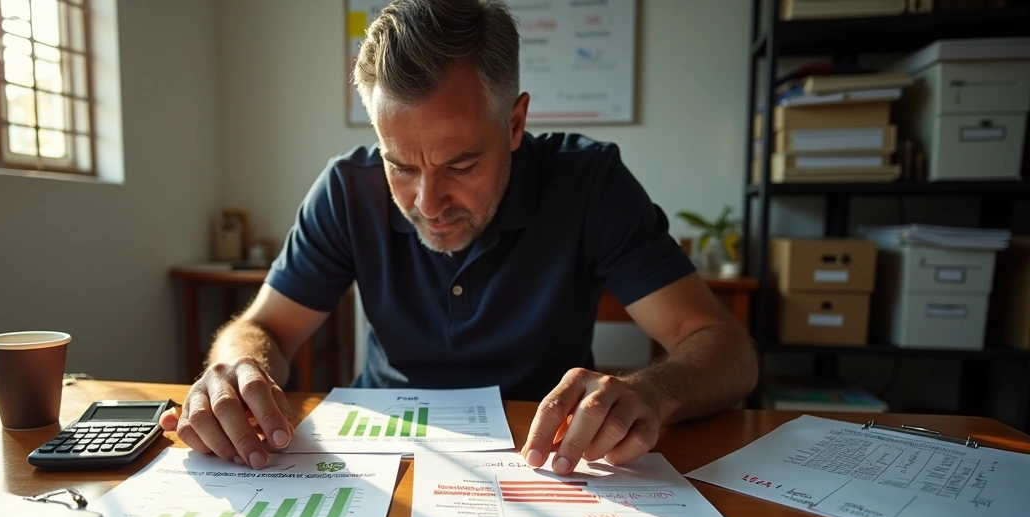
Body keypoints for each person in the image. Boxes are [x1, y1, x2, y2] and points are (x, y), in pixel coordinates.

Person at [161, 0, 757, 474]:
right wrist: (239, 369)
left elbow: (723, 346)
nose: (427, 203)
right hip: (380, 460)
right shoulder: (347, 188)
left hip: (543, 457)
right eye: (401, 164)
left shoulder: (589, 183)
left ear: (516, 123)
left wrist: (651, 392)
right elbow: (262, 329)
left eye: (462, 166)